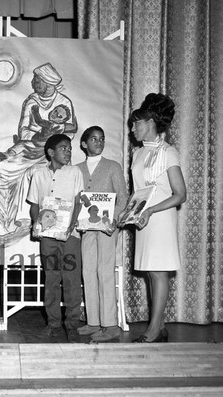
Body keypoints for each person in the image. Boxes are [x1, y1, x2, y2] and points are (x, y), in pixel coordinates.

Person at [0, 63, 77, 236]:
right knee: (2, 168)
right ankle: (4, 223)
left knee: (56, 176)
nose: (32, 83)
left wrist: (52, 139)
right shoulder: (31, 101)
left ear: (47, 82)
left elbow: (71, 130)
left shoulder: (63, 102)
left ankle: (57, 225)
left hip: (52, 154)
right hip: (31, 148)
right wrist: (38, 139)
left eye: (36, 80)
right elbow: (23, 130)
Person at [120, 93, 187, 343]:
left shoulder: (169, 152)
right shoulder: (138, 154)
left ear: (150, 123)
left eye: (136, 123)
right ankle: (160, 325)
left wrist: (150, 210)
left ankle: (153, 330)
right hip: (142, 220)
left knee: (158, 273)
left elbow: (180, 194)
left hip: (158, 219)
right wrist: (127, 212)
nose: (133, 128)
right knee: (151, 273)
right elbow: (139, 191)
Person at [27, 134, 84, 340]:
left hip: (70, 236)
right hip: (48, 238)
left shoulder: (75, 172)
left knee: (71, 279)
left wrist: (71, 225)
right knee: (51, 279)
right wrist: (38, 223)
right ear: (51, 152)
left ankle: (72, 324)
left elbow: (78, 201)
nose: (68, 151)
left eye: (69, 148)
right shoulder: (38, 174)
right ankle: (53, 323)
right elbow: (35, 205)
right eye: (63, 148)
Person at [76, 126, 128, 342]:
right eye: (94, 139)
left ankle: (110, 325)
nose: (99, 142)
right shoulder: (76, 169)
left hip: (107, 229)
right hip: (86, 228)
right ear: (84, 144)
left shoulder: (112, 167)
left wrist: (114, 219)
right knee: (88, 271)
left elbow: (123, 197)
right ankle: (93, 321)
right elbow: (74, 198)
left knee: (105, 271)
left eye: (102, 138)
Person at [0, 104, 72, 161]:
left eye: (59, 116)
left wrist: (35, 112)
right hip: (41, 143)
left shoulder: (51, 124)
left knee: (22, 145)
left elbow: (39, 121)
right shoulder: (61, 127)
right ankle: (19, 142)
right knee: (27, 138)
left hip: (39, 146)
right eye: (55, 111)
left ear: (62, 121)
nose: (55, 115)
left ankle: (7, 155)